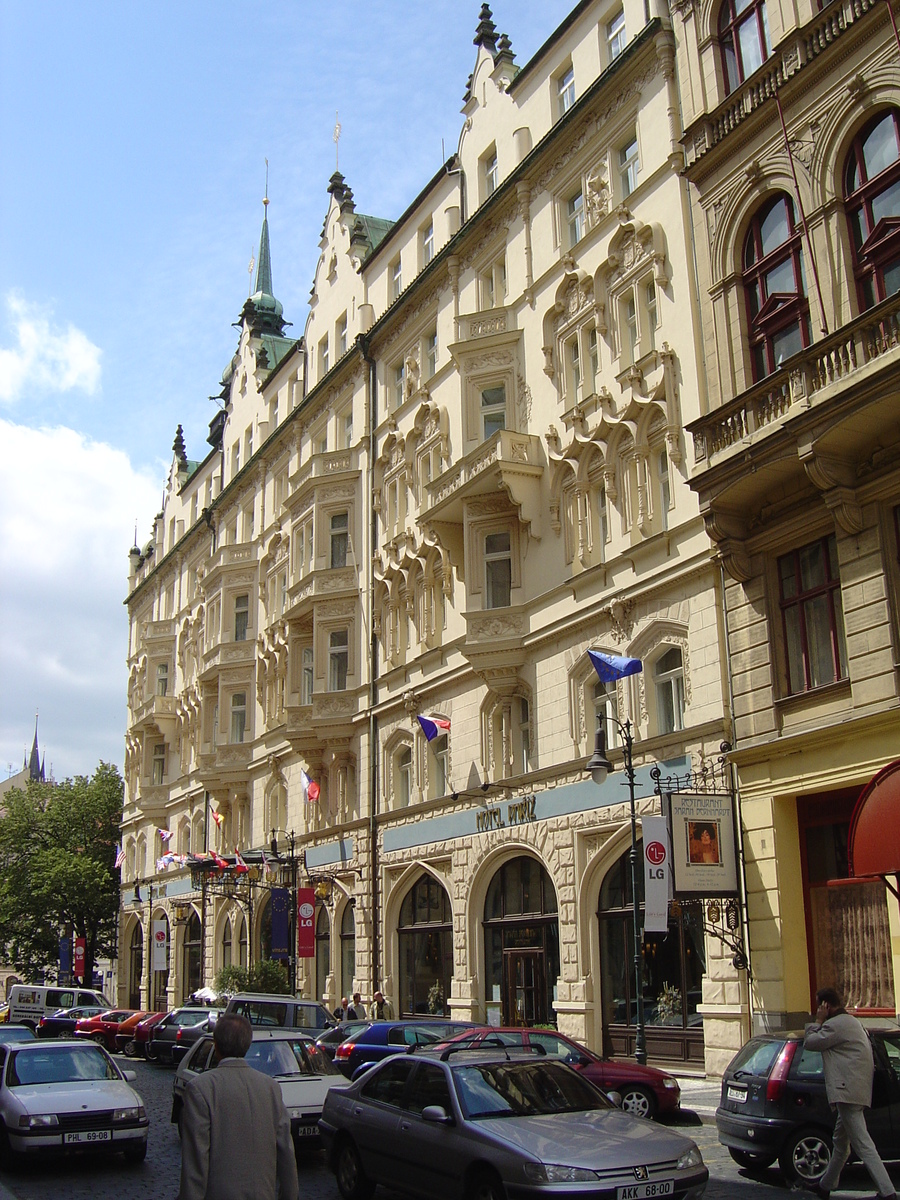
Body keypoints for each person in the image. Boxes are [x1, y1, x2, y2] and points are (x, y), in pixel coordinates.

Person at [177, 1013, 299, 1200]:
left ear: (215, 1045)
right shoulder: (270, 1087)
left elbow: (195, 1165)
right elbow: (286, 1154)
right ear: (247, 1045)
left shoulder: (201, 1088)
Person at [803, 987, 896, 1200]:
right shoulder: (851, 1022)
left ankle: (888, 1191)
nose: (818, 1010)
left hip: (847, 1092)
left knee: (863, 1144)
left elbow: (810, 1042)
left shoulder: (836, 1025)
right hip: (855, 1089)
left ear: (826, 1006)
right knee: (841, 1143)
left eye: (819, 1006)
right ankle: (826, 1185)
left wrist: (817, 1022)